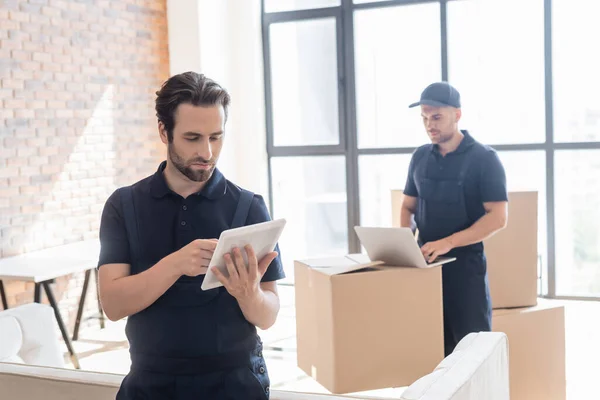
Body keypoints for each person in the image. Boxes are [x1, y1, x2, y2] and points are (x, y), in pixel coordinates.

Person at [97, 71, 284, 399]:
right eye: (193, 138)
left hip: (235, 382)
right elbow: (112, 305)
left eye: (216, 137)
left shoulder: (249, 206)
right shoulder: (123, 206)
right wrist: (176, 264)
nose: (208, 152)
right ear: (163, 132)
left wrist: (248, 294)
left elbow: (268, 316)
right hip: (151, 382)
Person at [401, 81, 508, 356]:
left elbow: (497, 217)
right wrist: (403, 243)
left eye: (436, 117)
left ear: (457, 114)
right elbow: (407, 207)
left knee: (473, 357)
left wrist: (448, 242)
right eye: (424, 118)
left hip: (466, 273)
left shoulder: (484, 158)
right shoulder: (420, 156)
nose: (429, 125)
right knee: (434, 354)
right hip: (426, 270)